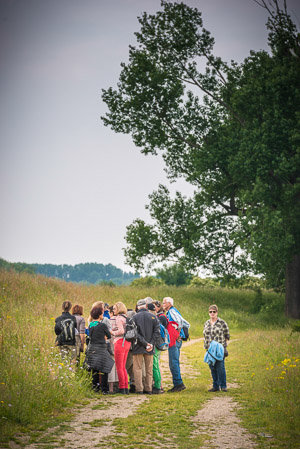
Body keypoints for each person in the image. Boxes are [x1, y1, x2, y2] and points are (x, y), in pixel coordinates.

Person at [132, 298, 161, 395]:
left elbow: (135, 334)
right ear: (146, 306)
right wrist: (150, 344)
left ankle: (139, 389)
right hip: (150, 347)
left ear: (137, 306)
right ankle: (149, 388)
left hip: (138, 346)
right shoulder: (153, 317)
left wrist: (144, 343)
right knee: (149, 369)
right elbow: (157, 332)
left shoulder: (134, 317)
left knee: (138, 368)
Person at [162, 296, 190, 392]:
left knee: (173, 363)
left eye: (164, 303)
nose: (163, 305)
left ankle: (178, 384)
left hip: (174, 341)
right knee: (174, 362)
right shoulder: (171, 311)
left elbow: (181, 322)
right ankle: (178, 383)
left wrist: (178, 334)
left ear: (169, 304)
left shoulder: (172, 311)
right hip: (175, 340)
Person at [85, 305, 114, 393]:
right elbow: (109, 336)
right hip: (101, 348)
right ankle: (105, 389)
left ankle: (95, 387)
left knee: (95, 368)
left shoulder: (91, 325)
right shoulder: (102, 325)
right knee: (104, 368)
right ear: (100, 315)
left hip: (93, 348)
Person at [203, 304, 230, 392]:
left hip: (219, 348)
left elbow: (227, 335)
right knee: (212, 367)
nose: (212, 313)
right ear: (209, 313)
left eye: (214, 312)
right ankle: (215, 386)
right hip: (209, 349)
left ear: (217, 312)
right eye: (210, 312)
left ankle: (223, 385)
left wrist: (224, 346)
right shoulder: (206, 323)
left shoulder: (222, 323)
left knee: (220, 367)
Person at [110, 302, 131, 394]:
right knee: (123, 366)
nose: (113, 310)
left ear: (119, 309)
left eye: (114, 309)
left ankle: (122, 387)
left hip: (119, 342)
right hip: (127, 342)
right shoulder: (125, 317)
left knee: (119, 367)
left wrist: (112, 332)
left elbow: (121, 331)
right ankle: (125, 386)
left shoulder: (118, 318)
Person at [152, 300, 168, 394]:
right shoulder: (159, 316)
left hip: (157, 344)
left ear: (158, 307)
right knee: (157, 364)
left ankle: (158, 386)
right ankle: (159, 385)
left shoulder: (161, 317)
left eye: (154, 307)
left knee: (156, 365)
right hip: (158, 343)